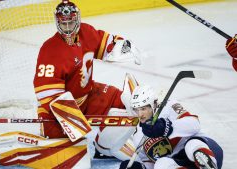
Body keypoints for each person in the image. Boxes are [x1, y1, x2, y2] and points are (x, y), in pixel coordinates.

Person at [33, 0, 141, 140]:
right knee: (73, 145)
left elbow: (109, 43)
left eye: (70, 23)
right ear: (57, 22)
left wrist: (124, 46)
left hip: (88, 96)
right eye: (63, 24)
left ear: (77, 20)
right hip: (55, 111)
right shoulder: (49, 50)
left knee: (125, 102)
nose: (67, 28)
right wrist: (73, 120)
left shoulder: (87, 33)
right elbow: (46, 92)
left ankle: (108, 141)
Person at [120, 85, 223, 169]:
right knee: (161, 164)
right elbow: (150, 163)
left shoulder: (170, 106)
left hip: (207, 149)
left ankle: (209, 165)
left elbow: (195, 124)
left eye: (143, 108)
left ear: (154, 104)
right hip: (179, 164)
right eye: (136, 110)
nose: (140, 114)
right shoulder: (138, 135)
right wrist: (141, 168)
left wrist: (167, 127)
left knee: (191, 144)